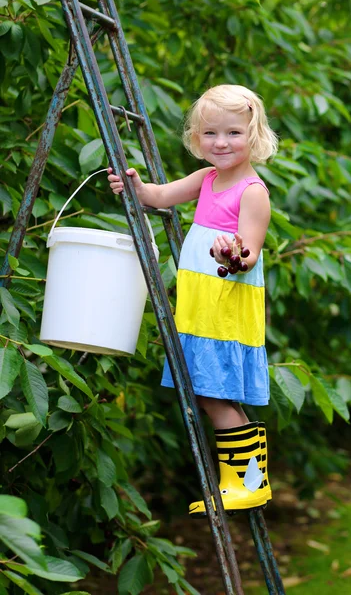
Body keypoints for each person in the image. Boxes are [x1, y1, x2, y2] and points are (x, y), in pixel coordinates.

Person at [108, 84, 278, 516]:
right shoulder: (207, 179)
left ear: (254, 136)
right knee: (210, 394)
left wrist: (232, 255)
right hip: (201, 307)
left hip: (224, 308)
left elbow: (249, 252)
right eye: (211, 133)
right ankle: (246, 480)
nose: (221, 143)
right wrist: (134, 186)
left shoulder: (252, 192)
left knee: (212, 395)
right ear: (197, 139)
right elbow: (158, 197)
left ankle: (247, 482)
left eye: (234, 133)